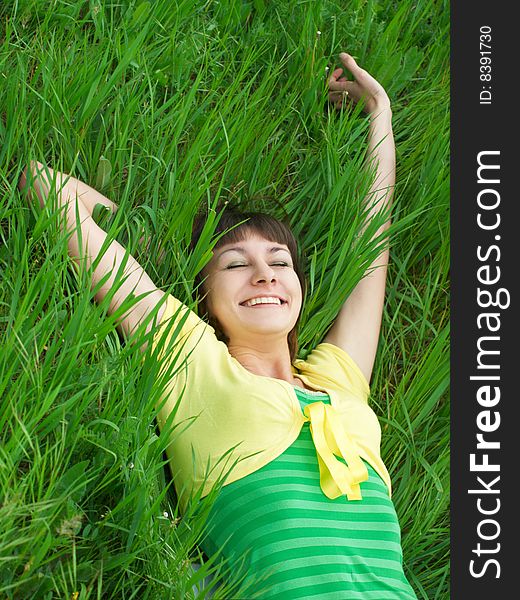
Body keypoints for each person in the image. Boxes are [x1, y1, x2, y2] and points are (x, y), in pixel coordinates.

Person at [19, 52, 417, 598]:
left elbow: (375, 249)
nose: (264, 275)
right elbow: (47, 188)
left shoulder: (338, 380)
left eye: (280, 262)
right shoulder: (192, 358)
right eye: (234, 264)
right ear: (204, 296)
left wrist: (381, 120)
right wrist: (125, 223)